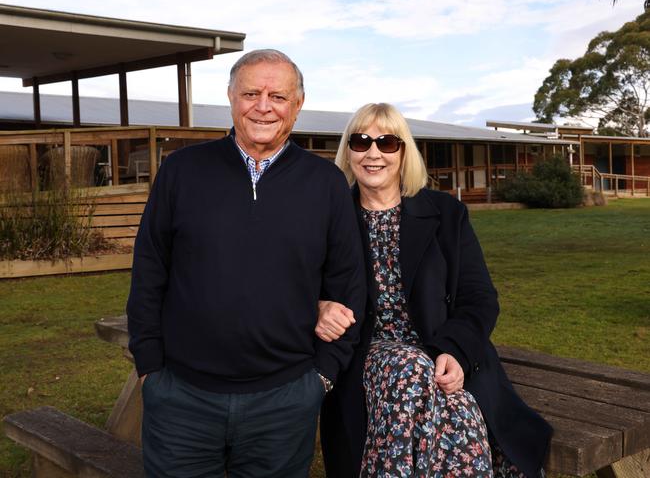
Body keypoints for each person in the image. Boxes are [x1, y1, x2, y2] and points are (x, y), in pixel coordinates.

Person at [126, 49, 366, 477]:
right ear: (231, 97)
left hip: (283, 402)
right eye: (251, 93)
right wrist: (150, 370)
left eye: (278, 96)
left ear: (298, 104)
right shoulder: (181, 171)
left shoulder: (325, 183)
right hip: (182, 398)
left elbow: (348, 287)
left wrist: (321, 379)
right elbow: (149, 273)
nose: (263, 106)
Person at [317, 103, 552, 478]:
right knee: (410, 369)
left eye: (387, 142)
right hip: (367, 353)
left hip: (440, 347)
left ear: (404, 152)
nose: (373, 153)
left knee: (463, 417)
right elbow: (292, 284)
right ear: (348, 151)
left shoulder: (446, 214)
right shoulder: (329, 218)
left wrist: (454, 352)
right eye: (361, 142)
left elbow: (479, 297)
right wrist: (318, 307)